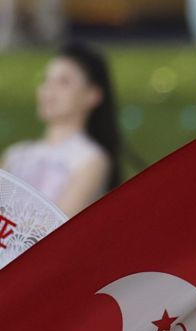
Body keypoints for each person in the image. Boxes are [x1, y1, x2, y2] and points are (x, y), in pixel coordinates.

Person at [2, 41, 120, 216]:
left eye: (64, 82)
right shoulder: (16, 154)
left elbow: (58, 226)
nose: (49, 89)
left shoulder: (90, 159)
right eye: (45, 80)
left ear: (92, 95)